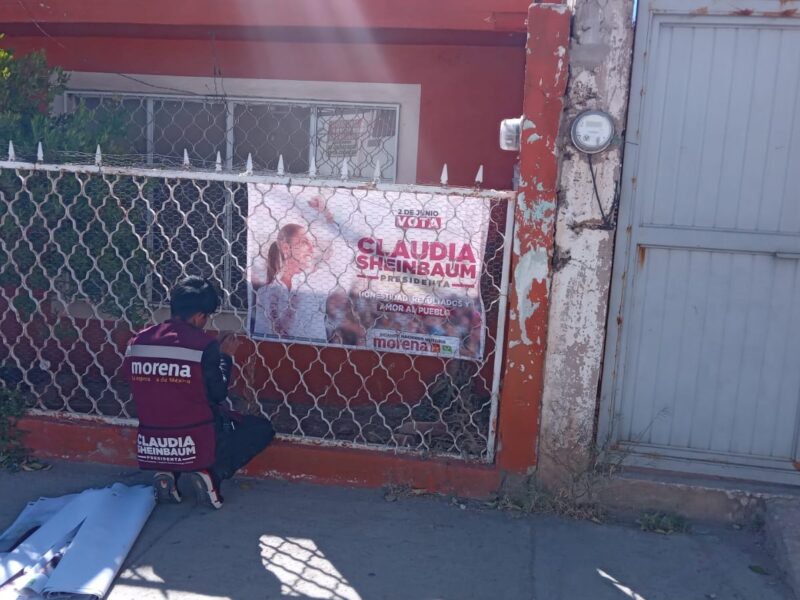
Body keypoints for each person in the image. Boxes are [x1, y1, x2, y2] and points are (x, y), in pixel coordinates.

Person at [125, 276, 274, 509]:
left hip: (151, 440)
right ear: (199, 316)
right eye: (206, 317)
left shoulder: (138, 341)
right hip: (194, 438)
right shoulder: (203, 345)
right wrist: (225, 357)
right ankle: (211, 474)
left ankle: (168, 472)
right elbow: (217, 393)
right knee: (260, 429)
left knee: (174, 412)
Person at [253, 223, 329, 341]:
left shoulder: (319, 282)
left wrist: (328, 217)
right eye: (304, 242)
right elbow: (261, 335)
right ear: (286, 248)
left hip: (314, 351)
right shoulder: (264, 293)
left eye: (313, 244)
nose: (312, 249)